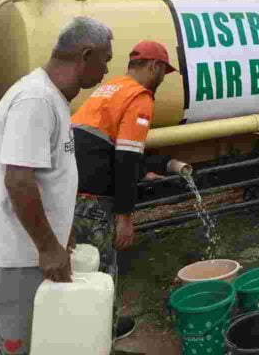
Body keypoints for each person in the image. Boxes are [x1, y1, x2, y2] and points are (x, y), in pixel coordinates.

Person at [0, 17, 113, 355]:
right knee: (15, 346)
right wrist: (48, 247)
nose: (106, 69)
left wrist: (63, 229)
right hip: (14, 255)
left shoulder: (52, 98)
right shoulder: (36, 100)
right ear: (86, 55)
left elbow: (46, 178)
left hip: (26, 250)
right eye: (105, 59)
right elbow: (18, 179)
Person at [71, 40, 186, 340]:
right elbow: (125, 159)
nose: (163, 79)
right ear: (154, 67)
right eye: (164, 72)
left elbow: (106, 146)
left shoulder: (111, 88)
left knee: (79, 264)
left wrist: (153, 166)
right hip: (94, 197)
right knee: (101, 269)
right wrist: (125, 217)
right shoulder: (140, 97)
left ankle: (75, 327)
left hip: (70, 187)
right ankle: (100, 335)